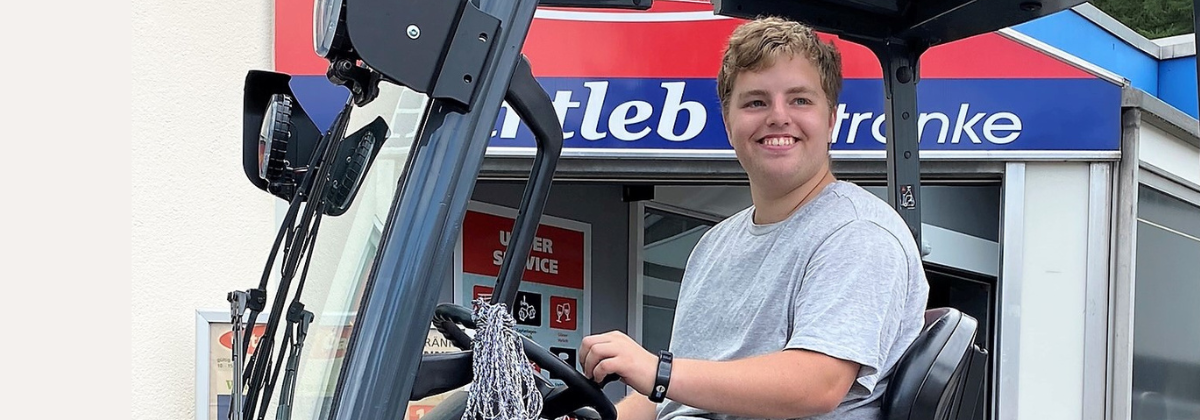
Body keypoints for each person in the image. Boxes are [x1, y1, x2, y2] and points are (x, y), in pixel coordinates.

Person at [577, 16, 930, 420]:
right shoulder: (714, 245)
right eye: (756, 102)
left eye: (800, 100)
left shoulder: (856, 233)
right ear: (728, 124)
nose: (778, 117)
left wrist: (657, 372)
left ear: (831, 119)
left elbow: (816, 384)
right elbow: (673, 394)